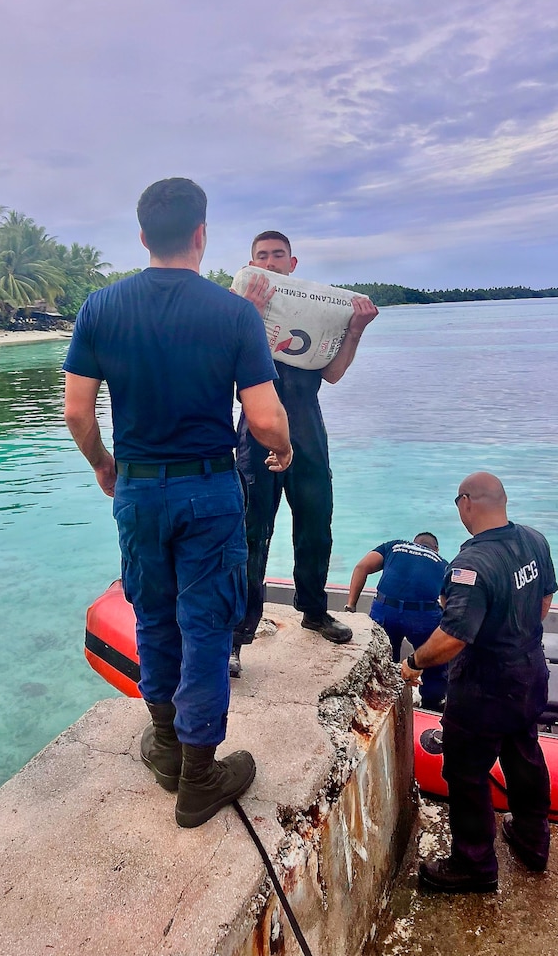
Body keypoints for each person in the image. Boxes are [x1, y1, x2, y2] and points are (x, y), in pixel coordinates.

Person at [63, 178, 292, 828]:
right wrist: (283, 448)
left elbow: (77, 412)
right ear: (201, 234)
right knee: (207, 626)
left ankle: (164, 745)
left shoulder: (101, 307)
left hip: (137, 489)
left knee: (154, 616)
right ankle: (198, 776)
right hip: (208, 489)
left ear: (143, 236)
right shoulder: (233, 314)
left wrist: (104, 464)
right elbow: (264, 418)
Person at [229, 231, 379, 678]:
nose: (270, 263)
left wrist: (356, 329)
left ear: (292, 264)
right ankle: (236, 635)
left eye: (278, 256)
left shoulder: (315, 313)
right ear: (251, 263)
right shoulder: (237, 309)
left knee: (316, 525)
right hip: (257, 427)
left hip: (308, 428)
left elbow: (332, 373)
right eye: (261, 256)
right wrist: (249, 314)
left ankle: (313, 610)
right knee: (251, 533)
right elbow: (224, 369)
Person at [400, 472, 557, 893]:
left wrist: (414, 662)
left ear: (466, 502)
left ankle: (474, 864)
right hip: (530, 670)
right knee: (524, 753)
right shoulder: (534, 540)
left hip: (485, 687)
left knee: (466, 772)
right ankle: (533, 839)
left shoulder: (471, 565)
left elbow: (453, 637)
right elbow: (544, 600)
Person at [345, 532, 448, 711]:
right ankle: (432, 704)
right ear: (436, 549)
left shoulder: (395, 546)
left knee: (383, 659)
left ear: (414, 542)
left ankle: (383, 701)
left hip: (386, 609)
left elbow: (362, 567)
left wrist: (351, 606)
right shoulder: (443, 563)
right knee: (434, 660)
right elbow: (447, 602)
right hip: (422, 615)